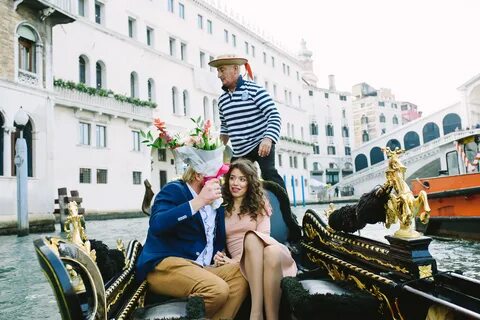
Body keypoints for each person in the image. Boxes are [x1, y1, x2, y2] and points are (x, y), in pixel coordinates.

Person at [136, 166, 248, 320]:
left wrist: (219, 255)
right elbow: (157, 224)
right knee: (218, 289)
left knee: (241, 273)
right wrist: (199, 201)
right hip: (165, 264)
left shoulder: (217, 200)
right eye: (215, 174)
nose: (220, 179)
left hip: (200, 268)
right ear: (198, 175)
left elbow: (215, 240)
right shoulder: (174, 190)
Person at [214, 159, 297, 320]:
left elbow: (264, 237)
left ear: (249, 182)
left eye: (242, 179)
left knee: (254, 239)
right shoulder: (221, 208)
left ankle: (256, 313)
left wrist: (237, 261)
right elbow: (218, 240)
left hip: (265, 250)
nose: (235, 183)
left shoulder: (260, 203)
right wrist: (220, 256)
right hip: (259, 260)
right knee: (270, 253)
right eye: (232, 177)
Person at [208, 54, 286, 190]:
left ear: (235, 69)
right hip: (240, 150)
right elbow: (225, 128)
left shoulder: (255, 90)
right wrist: (217, 151)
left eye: (222, 70)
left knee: (269, 173)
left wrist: (268, 139)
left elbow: (274, 115)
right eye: (218, 71)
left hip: (261, 143)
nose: (219, 75)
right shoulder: (222, 101)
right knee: (232, 178)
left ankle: (284, 209)